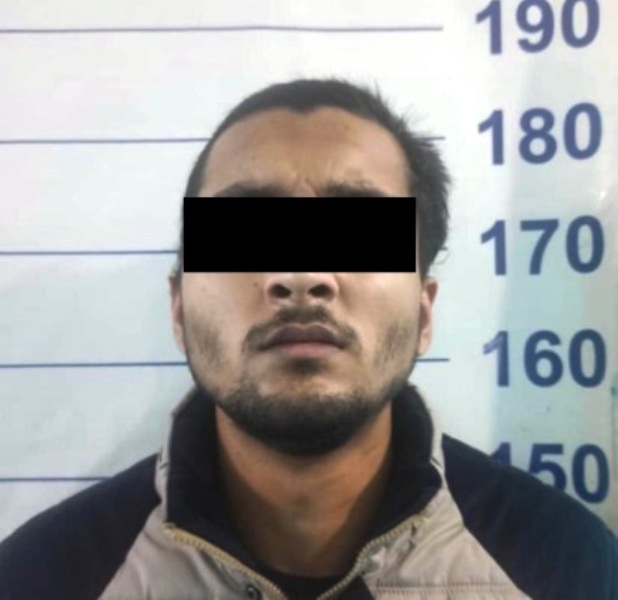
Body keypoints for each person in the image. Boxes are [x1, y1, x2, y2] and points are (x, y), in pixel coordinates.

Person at [0, 79, 616, 600]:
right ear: (180, 308)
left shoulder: (567, 570)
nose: (301, 274)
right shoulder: (42, 578)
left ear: (424, 311)